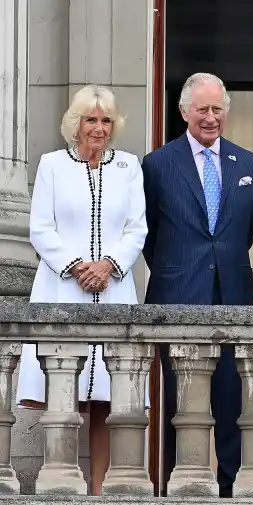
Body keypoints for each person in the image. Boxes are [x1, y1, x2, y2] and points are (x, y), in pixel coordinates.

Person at [18, 85, 147, 495]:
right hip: (63, 289)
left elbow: (136, 228)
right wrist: (77, 267)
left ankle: (102, 493)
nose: (99, 127)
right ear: (76, 124)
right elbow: (40, 228)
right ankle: (61, 487)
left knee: (108, 398)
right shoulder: (52, 165)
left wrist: (109, 265)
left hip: (113, 289)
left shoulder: (129, 166)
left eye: (106, 120)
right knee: (63, 393)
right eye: (90, 119)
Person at [141, 72, 253, 497]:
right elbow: (150, 236)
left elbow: (245, 232)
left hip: (233, 296)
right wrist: (181, 269)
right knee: (182, 405)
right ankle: (183, 488)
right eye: (202, 110)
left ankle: (230, 489)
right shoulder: (157, 163)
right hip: (177, 294)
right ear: (184, 112)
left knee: (232, 402)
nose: (210, 118)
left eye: (217, 110)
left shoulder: (247, 163)